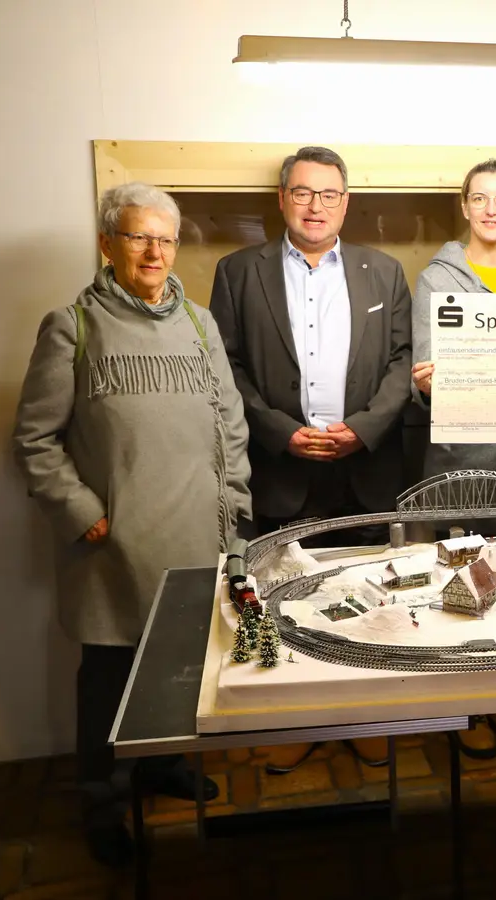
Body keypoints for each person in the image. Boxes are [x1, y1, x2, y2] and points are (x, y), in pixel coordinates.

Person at [13, 182, 251, 865]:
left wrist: (234, 509)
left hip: (194, 537)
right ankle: (100, 797)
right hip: (113, 546)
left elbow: (230, 430)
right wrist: (81, 511)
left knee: (181, 666)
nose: (155, 252)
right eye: (139, 237)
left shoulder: (201, 326)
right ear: (107, 244)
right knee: (110, 678)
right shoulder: (73, 327)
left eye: (166, 239)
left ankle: (162, 766)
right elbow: (35, 439)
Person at [209, 146, 413, 767]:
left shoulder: (385, 272)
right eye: (303, 193)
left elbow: (404, 362)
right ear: (282, 200)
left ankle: (369, 716)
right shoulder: (237, 272)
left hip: (365, 469)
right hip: (282, 471)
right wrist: (278, 432)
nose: (315, 205)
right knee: (282, 602)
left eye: (329, 194)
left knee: (372, 597)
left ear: (346, 203)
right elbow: (226, 370)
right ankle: (291, 722)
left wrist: (364, 427)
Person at [410, 159, 496, 758]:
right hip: (457, 457)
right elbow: (424, 374)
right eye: (479, 198)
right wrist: (429, 382)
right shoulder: (435, 280)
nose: (491, 209)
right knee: (462, 583)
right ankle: (466, 705)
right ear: (464, 208)